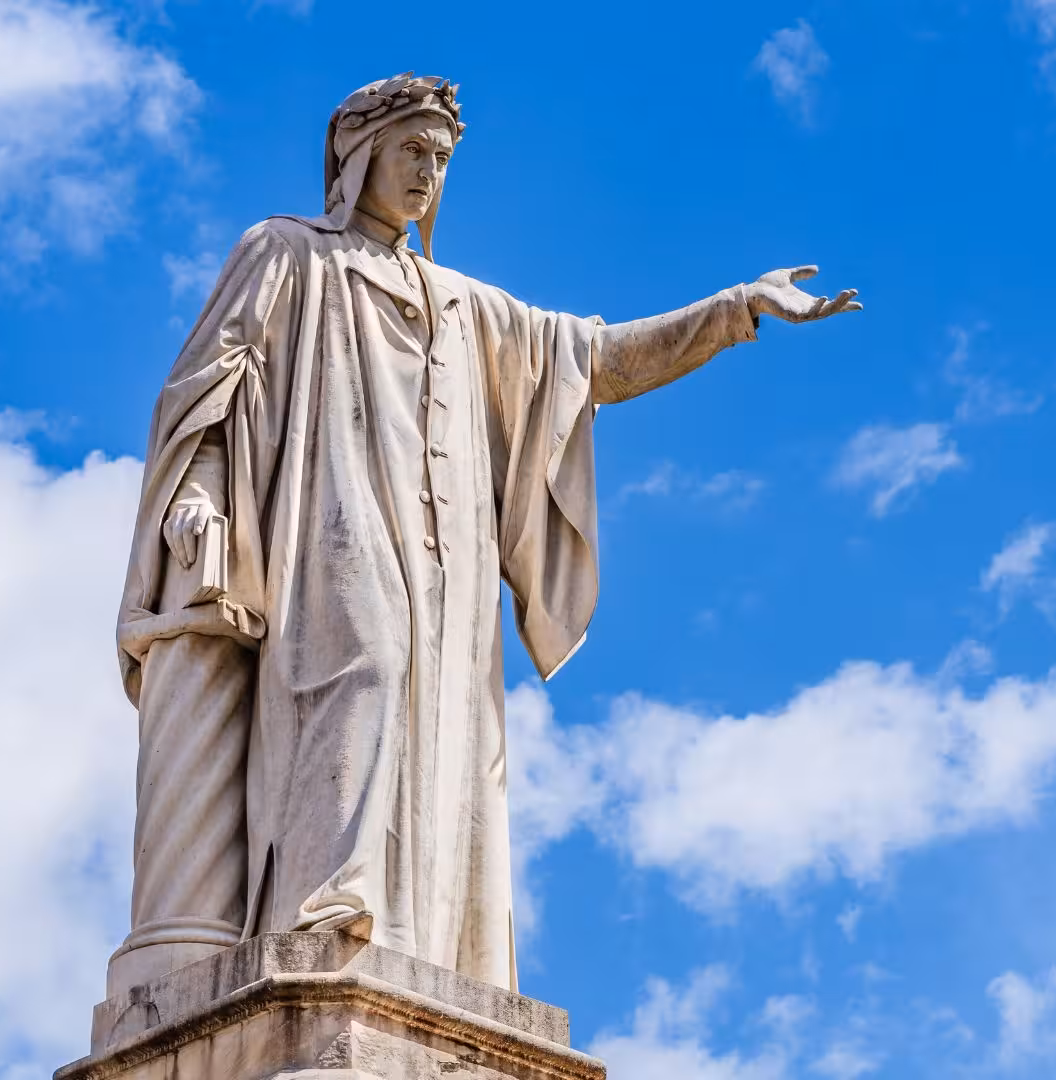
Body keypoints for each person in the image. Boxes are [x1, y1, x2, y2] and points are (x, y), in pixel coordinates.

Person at [110, 73, 862, 997]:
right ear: (358, 156)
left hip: (450, 565)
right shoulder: (289, 254)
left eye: (440, 158)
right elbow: (211, 392)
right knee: (365, 670)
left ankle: (424, 945)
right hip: (331, 520)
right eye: (410, 151)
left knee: (446, 730)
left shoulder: (467, 303)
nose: (426, 172)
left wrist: (734, 309)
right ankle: (324, 908)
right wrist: (197, 496)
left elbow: (597, 361)